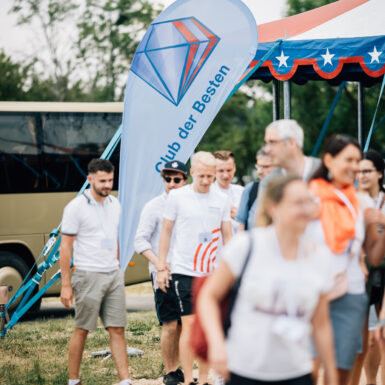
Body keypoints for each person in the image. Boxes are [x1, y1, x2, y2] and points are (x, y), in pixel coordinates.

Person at [197, 175, 338, 385]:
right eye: (298, 203)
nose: (307, 209)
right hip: (243, 371)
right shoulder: (246, 246)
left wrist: (332, 377)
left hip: (296, 373)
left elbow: (321, 325)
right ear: (274, 208)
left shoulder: (321, 257)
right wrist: (217, 344)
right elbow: (208, 296)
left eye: (309, 201)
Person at [308, 135, 385, 385]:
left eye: (357, 161)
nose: (355, 167)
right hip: (314, 292)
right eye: (349, 160)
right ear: (329, 160)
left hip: (351, 293)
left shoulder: (359, 201)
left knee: (343, 369)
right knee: (310, 363)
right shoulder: (310, 197)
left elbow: (374, 254)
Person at [157, 151, 233, 385]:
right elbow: (166, 231)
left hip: (212, 271)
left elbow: (227, 234)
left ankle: (204, 379)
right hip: (184, 270)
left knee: (209, 325)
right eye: (201, 176)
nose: (206, 181)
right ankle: (189, 379)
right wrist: (161, 265)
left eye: (210, 176)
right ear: (191, 173)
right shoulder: (178, 197)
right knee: (189, 324)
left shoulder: (221, 198)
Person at [60, 159, 131, 385]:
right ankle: (74, 380)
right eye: (102, 181)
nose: (107, 185)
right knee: (82, 329)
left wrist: (118, 266)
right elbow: (65, 247)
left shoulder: (115, 204)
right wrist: (66, 284)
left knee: (117, 328)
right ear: (90, 179)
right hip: (87, 274)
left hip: (113, 274)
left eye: (110, 180)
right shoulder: (75, 207)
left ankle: (125, 380)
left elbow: (115, 238)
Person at [134, 160, 188, 385]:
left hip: (188, 271)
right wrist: (159, 264)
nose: (172, 183)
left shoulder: (191, 204)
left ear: (185, 181)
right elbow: (140, 240)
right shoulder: (153, 206)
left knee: (186, 323)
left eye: (177, 179)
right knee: (170, 323)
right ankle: (170, 371)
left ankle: (185, 369)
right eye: (168, 179)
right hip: (164, 272)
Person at [356, 150, 385, 385]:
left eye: (367, 170)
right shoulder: (353, 201)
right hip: (361, 273)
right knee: (363, 338)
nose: (361, 175)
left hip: (384, 274)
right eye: (359, 171)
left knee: (382, 337)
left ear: (379, 173)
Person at [257, 120, 321, 213]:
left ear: (291, 142)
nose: (267, 149)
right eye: (266, 143)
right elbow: (263, 223)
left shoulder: (326, 171)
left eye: (272, 142)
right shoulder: (269, 183)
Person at [236, 147, 275, 231]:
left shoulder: (290, 192)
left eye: (266, 167)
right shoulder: (251, 189)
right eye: (258, 166)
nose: (259, 172)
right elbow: (241, 227)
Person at [212, 150, 244, 235]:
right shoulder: (208, 194)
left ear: (234, 168)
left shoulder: (242, 192)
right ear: (213, 170)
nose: (225, 175)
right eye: (221, 171)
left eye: (229, 170)